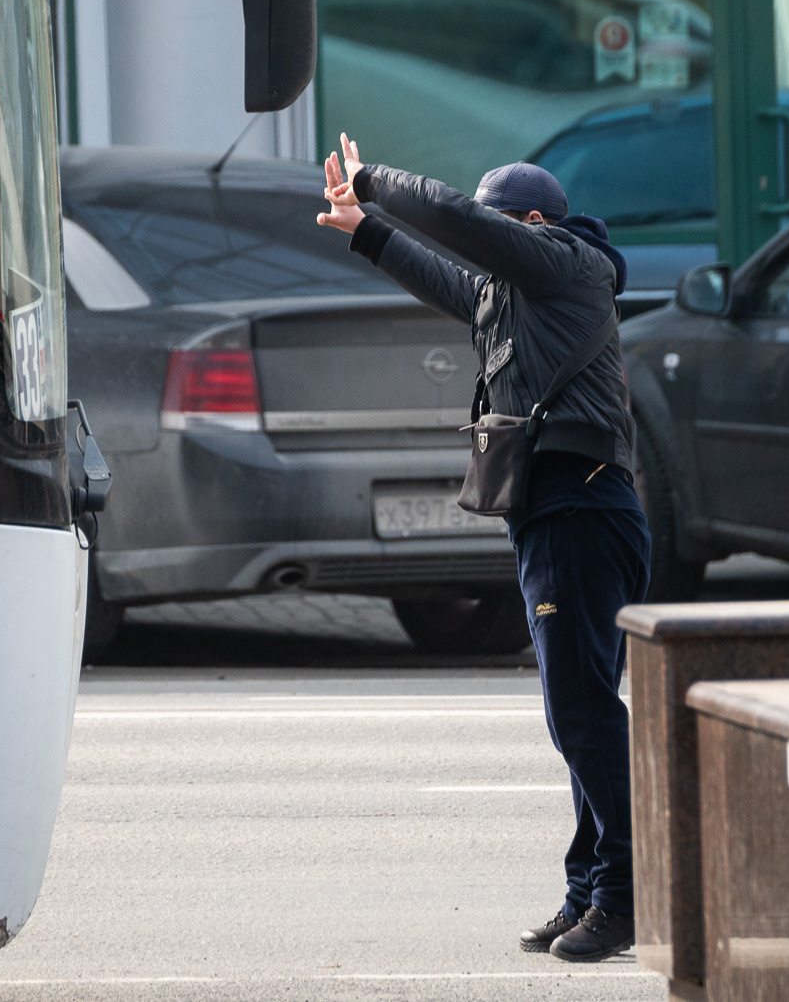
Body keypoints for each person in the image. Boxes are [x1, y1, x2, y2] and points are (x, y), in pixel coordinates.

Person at [317, 136, 647, 963]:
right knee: (580, 711)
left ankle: (631, 891)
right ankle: (590, 889)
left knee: (579, 714)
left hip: (582, 503)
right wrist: (366, 228)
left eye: (501, 236)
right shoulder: (509, 295)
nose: (487, 255)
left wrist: (374, 180)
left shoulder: (565, 265)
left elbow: (459, 223)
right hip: (552, 511)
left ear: (534, 225)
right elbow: (445, 275)